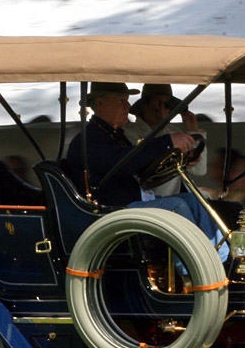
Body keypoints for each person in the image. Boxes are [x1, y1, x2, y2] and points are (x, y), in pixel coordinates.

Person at [65, 82, 223, 250]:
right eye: (121, 101)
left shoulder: (112, 135)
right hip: (112, 208)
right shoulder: (91, 138)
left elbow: (139, 166)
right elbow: (122, 163)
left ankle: (220, 258)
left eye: (127, 100)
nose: (127, 106)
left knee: (195, 200)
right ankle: (190, 268)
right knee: (178, 206)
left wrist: (181, 160)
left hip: (131, 201)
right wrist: (167, 143)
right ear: (99, 103)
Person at [123, 84, 206, 197]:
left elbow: (200, 170)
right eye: (159, 103)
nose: (164, 108)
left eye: (168, 105)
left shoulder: (174, 132)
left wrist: (193, 130)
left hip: (175, 198)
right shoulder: (129, 133)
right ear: (145, 104)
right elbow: (140, 164)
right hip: (147, 198)